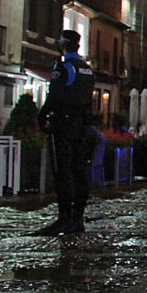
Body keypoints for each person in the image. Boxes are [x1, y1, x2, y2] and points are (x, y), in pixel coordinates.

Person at [36, 30, 96, 235]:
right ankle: (78, 217)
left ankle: (65, 218)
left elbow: (55, 97)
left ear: (63, 45)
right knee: (79, 171)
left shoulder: (64, 68)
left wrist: (42, 116)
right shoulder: (87, 70)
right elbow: (89, 101)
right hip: (81, 127)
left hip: (63, 125)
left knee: (63, 172)